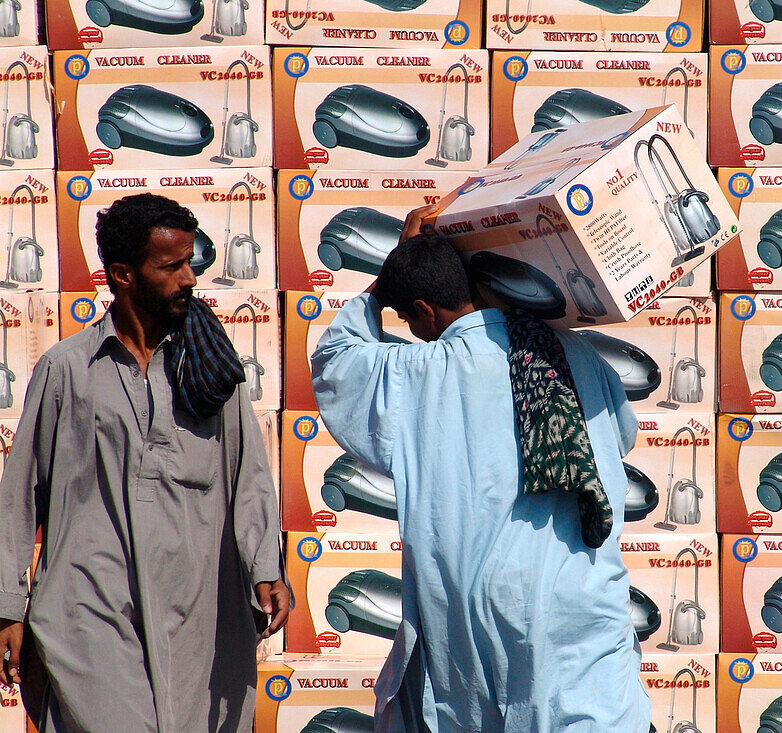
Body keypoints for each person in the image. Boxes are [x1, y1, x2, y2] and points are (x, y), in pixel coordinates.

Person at [310, 205, 651, 732]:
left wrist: (388, 279)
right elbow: (622, 434)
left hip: (481, 620)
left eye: (410, 318)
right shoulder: (574, 353)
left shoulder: (415, 375)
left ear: (423, 310)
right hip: (581, 607)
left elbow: (336, 359)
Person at [0, 193, 290, 732]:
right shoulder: (68, 369)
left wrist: (266, 566)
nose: (189, 280)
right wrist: (7, 606)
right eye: (172, 266)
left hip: (197, 603)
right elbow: (18, 497)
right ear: (123, 275)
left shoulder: (210, 370)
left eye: (190, 264)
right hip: (90, 603)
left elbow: (248, 475)